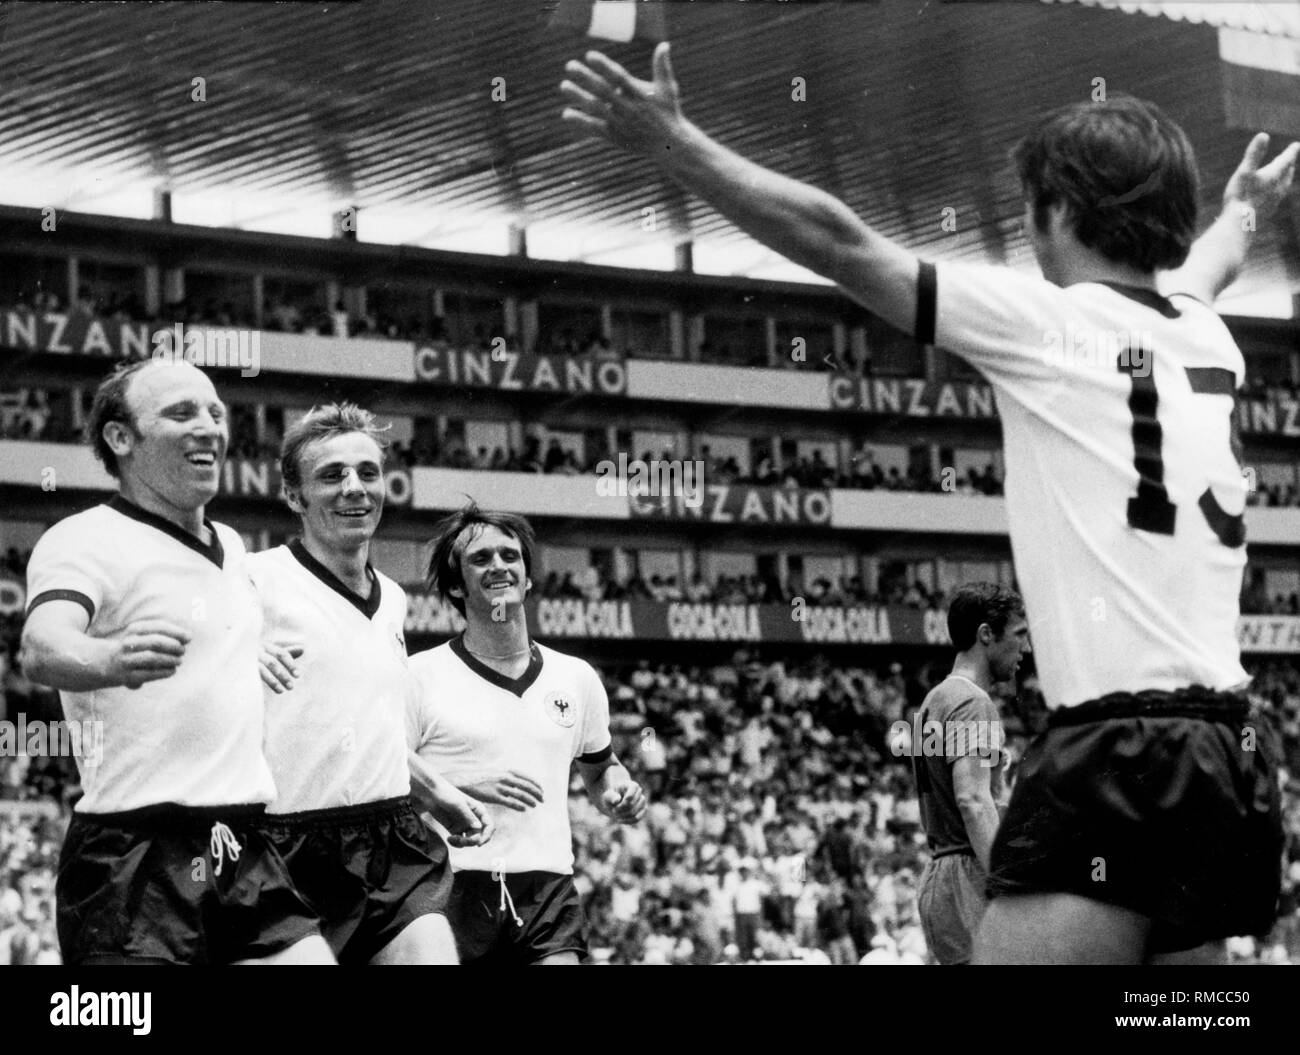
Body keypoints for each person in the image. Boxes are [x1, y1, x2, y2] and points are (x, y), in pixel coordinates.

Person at [560, 45, 1298, 964]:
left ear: (1055, 210)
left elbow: (841, 243)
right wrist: (1241, 213)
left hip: (1124, 744)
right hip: (1229, 747)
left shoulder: (1051, 326)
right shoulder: (1205, 335)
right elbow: (1209, 268)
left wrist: (678, 145)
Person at [19, 359, 332, 964]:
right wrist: (111, 657)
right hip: (135, 854)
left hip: (244, 842)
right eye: (181, 412)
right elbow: (42, 645)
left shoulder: (233, 546)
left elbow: (211, 633)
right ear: (120, 438)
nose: (210, 428)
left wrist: (245, 649)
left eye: (216, 412)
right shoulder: (85, 538)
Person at [251, 403, 491, 964]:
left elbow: (365, 725)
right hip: (282, 846)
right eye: (331, 475)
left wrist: (437, 792)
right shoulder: (251, 580)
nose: (354, 488)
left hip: (391, 841)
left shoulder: (393, 597)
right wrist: (232, 645)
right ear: (294, 496)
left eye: (368, 472)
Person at [408, 503, 647, 964]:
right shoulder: (419, 676)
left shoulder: (575, 677)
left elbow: (600, 770)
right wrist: (456, 789)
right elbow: (380, 785)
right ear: (456, 584)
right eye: (481, 559)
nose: (498, 564)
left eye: (509, 556)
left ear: (528, 577)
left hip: (547, 888)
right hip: (452, 884)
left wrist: (617, 791)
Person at [910, 584, 1029, 964]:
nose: (1025, 649)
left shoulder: (934, 701)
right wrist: (1006, 885)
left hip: (941, 874)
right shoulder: (973, 703)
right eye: (1019, 635)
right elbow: (973, 800)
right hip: (969, 874)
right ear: (986, 635)